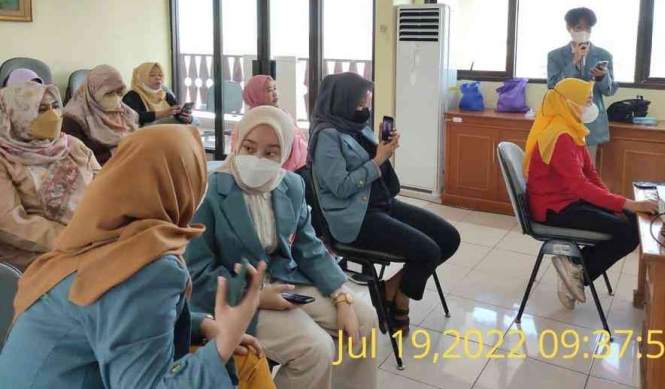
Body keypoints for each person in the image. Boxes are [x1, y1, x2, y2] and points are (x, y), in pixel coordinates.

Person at [0, 126, 275, 388]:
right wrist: (226, 339)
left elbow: (114, 319)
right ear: (180, 185)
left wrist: (199, 324)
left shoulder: (94, 237)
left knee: (244, 362)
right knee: (242, 362)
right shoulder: (149, 268)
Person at [186, 105, 378, 389]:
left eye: (271, 152)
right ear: (237, 143)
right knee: (316, 349)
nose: (257, 158)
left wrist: (340, 296)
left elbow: (308, 247)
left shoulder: (291, 185)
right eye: (249, 147)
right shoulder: (209, 191)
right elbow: (197, 273)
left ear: (285, 154)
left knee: (365, 320)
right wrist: (257, 297)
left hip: (284, 281)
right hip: (234, 299)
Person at [309, 72, 460, 334]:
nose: (365, 104)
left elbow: (373, 165)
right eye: (360, 99)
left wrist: (384, 148)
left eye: (365, 98)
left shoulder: (356, 124)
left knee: (448, 238)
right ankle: (400, 299)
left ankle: (391, 288)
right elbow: (342, 187)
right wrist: (378, 158)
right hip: (355, 218)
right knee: (428, 251)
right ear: (343, 100)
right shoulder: (326, 136)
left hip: (381, 203)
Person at [524, 78, 657, 310]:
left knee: (631, 220)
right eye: (586, 101)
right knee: (627, 231)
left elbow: (591, 175)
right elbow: (581, 187)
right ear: (568, 102)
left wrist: (618, 205)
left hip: (569, 201)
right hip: (553, 209)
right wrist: (629, 203)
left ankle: (573, 268)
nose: (590, 106)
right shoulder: (559, 136)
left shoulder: (572, 129)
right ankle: (577, 272)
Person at [0, 82, 100, 269]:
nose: (53, 115)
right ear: (16, 115)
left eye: (55, 106)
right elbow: (10, 222)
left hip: (94, 236)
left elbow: (104, 185)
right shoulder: (4, 159)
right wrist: (75, 239)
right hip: (39, 253)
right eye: (41, 109)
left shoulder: (73, 145)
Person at [547, 7, 619, 163]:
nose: (584, 32)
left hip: (591, 120)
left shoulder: (603, 55)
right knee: (564, 166)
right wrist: (574, 62)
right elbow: (553, 86)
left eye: (588, 28)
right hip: (563, 119)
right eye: (579, 28)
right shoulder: (555, 56)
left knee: (588, 167)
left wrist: (602, 76)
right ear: (569, 28)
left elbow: (609, 90)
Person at [62, 65, 138, 165]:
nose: (116, 97)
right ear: (93, 90)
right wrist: (115, 153)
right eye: (109, 93)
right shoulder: (73, 118)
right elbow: (76, 157)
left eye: (119, 92)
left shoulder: (123, 111)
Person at [238, 75, 308, 172]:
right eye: (269, 90)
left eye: (275, 88)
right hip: (275, 173)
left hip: (299, 167)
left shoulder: (282, 113)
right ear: (256, 95)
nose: (275, 93)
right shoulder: (252, 122)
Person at [123, 62, 193, 127]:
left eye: (160, 75)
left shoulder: (166, 95)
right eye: (152, 75)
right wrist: (163, 113)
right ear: (141, 77)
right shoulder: (132, 95)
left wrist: (187, 118)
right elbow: (135, 117)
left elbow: (178, 113)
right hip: (146, 134)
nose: (158, 78)